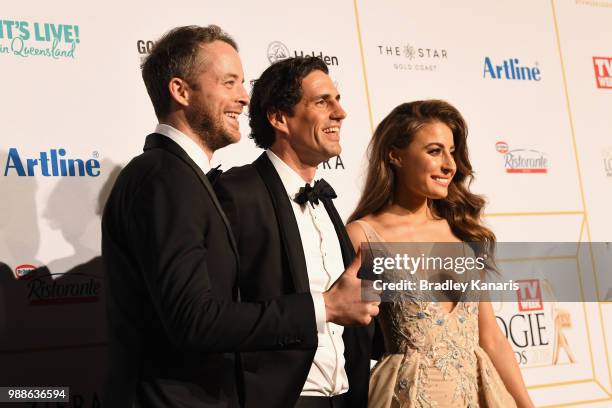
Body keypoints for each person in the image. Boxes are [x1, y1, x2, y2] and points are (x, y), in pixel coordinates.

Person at [102, 26, 375, 408]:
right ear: (181, 91)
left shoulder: (179, 175)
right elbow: (195, 320)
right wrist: (326, 306)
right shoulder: (165, 177)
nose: (244, 97)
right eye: (229, 83)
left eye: (242, 84)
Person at [346, 100, 535, 407]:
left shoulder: (462, 231)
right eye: (434, 151)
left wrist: (527, 405)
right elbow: (347, 341)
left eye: (451, 151)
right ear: (395, 155)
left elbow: (491, 339)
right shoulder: (364, 237)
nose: (450, 164)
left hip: (480, 395)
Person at [214, 56, 376, 408]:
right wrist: (326, 307)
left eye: (337, 99)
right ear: (279, 118)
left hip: (346, 396)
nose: (341, 112)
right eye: (322, 102)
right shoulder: (235, 193)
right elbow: (216, 316)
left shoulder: (327, 199)